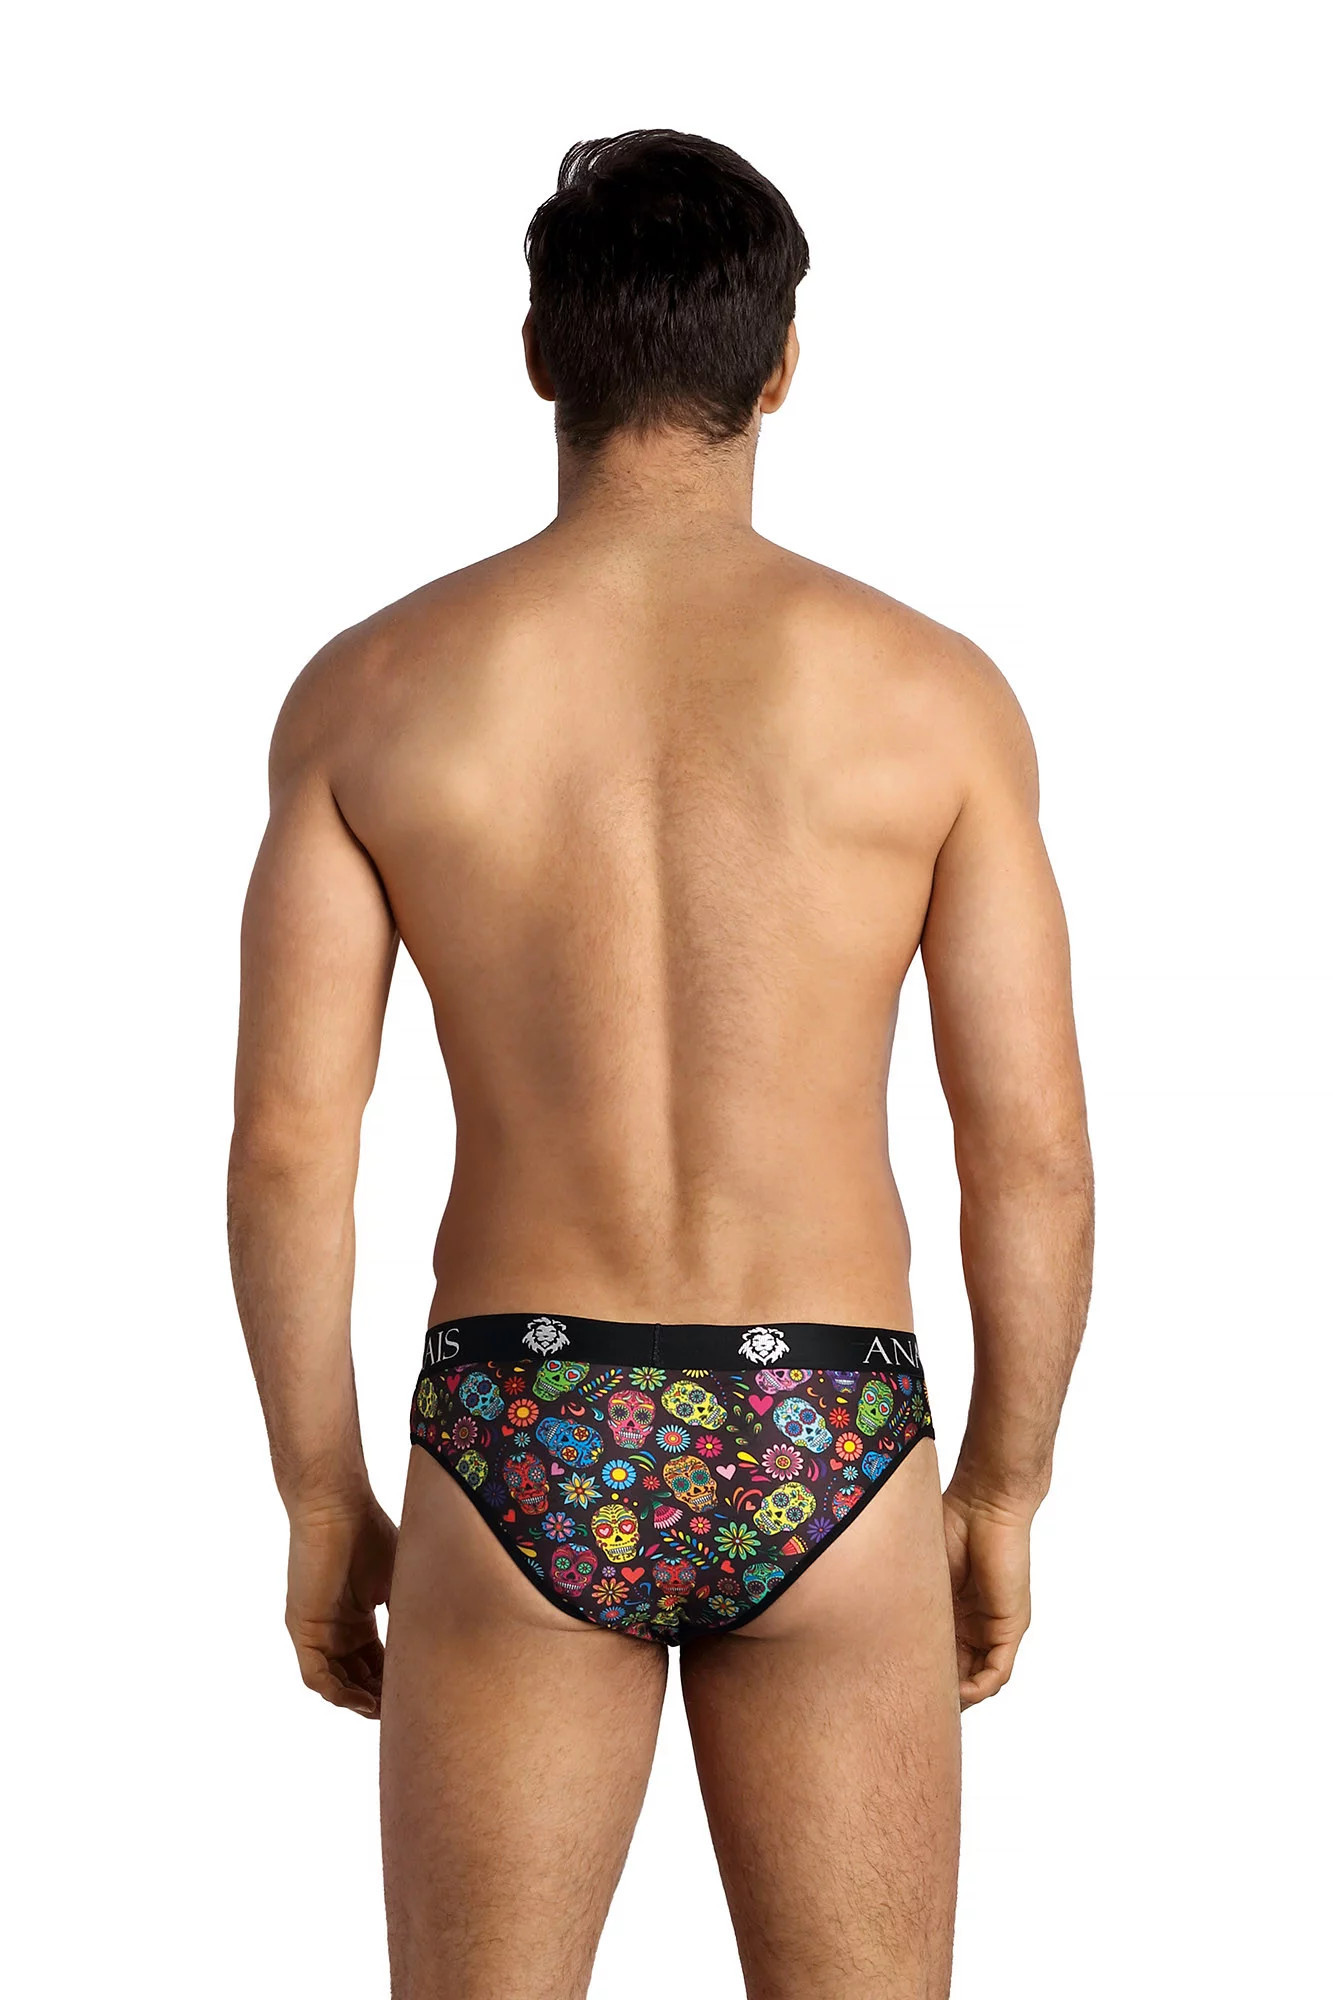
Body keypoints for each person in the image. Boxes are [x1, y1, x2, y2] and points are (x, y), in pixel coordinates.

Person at [228, 129, 1093, 2000]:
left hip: (519, 1420)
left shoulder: (372, 691)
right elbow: (1025, 1149)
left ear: (541, 355)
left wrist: (317, 1495)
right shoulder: (933, 696)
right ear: (778, 368)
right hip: (826, 1426)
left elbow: (294, 1144)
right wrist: (1004, 1487)